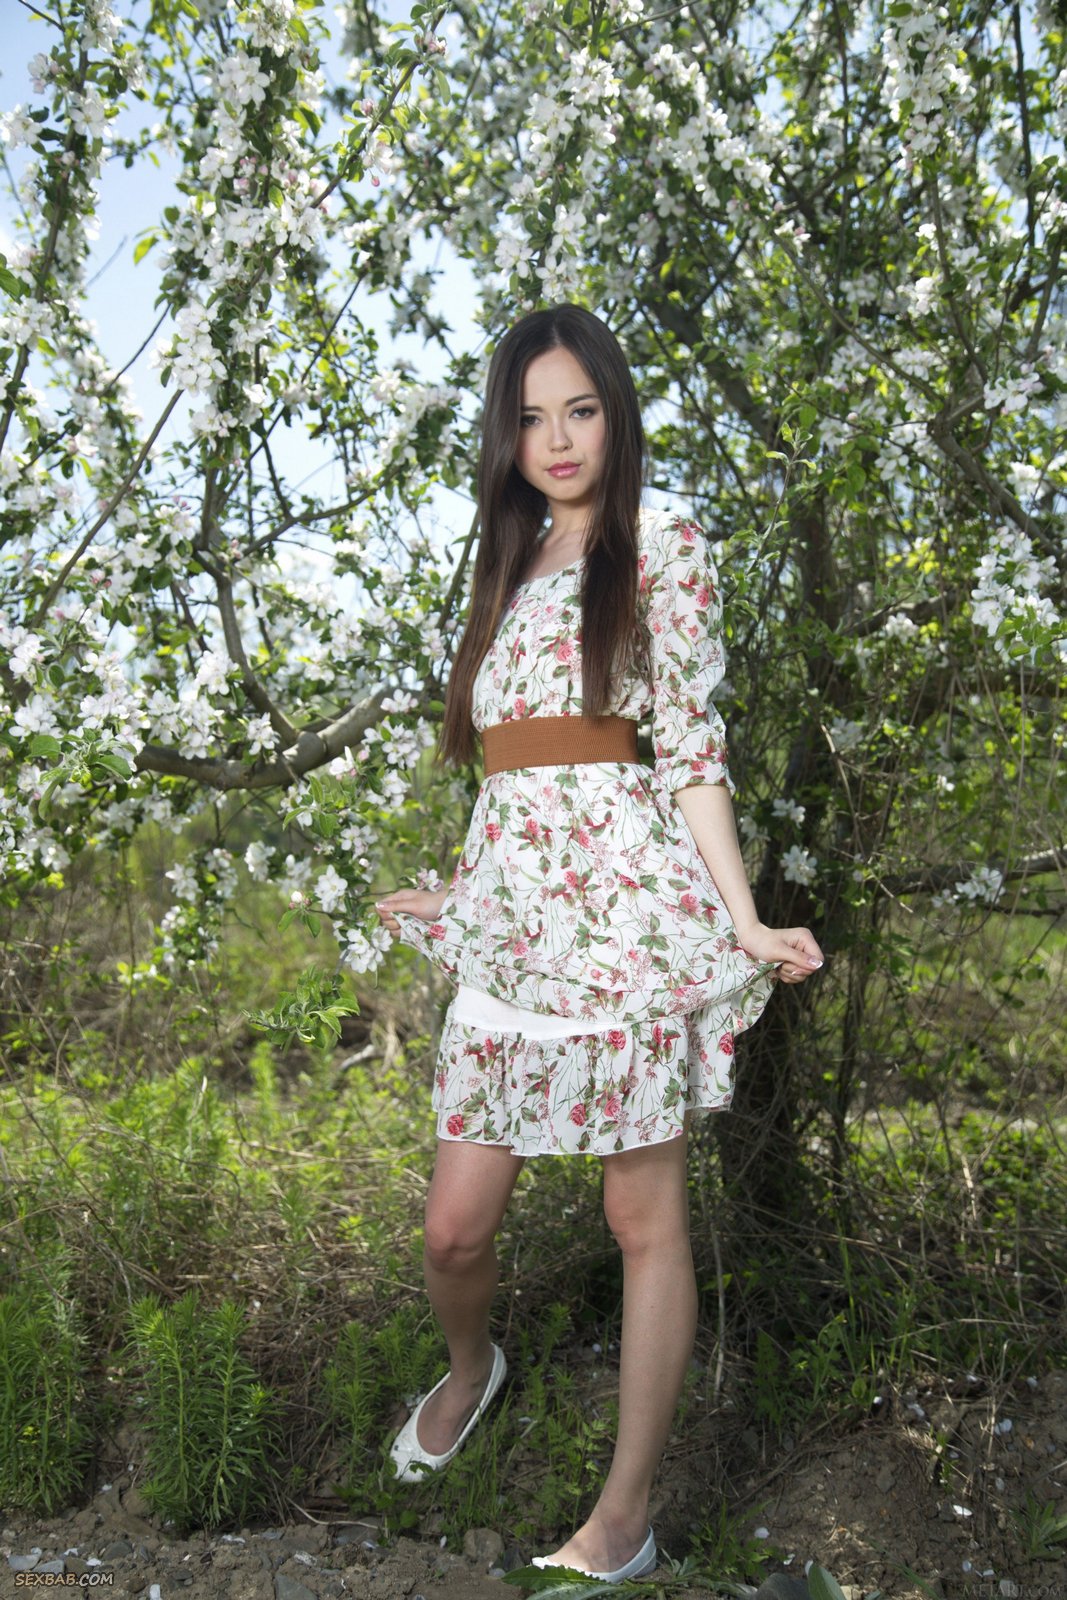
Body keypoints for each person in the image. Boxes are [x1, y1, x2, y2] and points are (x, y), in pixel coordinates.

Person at [374, 303, 823, 1583]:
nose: (557, 439)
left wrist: (742, 917)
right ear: (505, 438)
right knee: (453, 1228)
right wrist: (462, 889)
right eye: (530, 418)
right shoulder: (506, 562)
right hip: (513, 929)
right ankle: (473, 1366)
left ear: (614, 412)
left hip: (626, 923)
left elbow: (687, 751)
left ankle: (621, 1521)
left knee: (640, 1216)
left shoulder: (662, 541)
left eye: (578, 409)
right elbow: (512, 764)